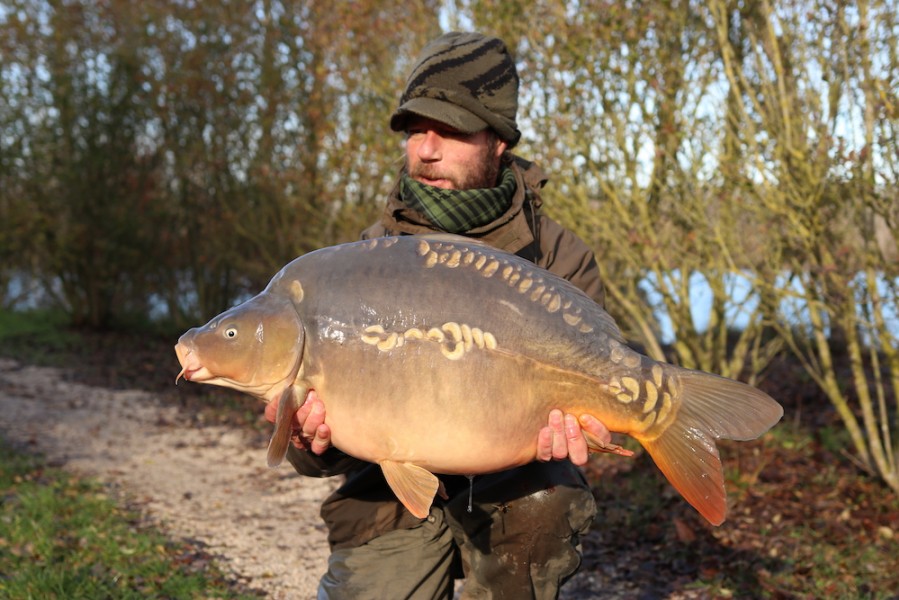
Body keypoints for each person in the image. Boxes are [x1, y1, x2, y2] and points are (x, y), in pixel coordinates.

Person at [266, 32, 617, 599]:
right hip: (391, 495)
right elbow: (320, 457)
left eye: (450, 130)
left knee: (544, 504)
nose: (426, 149)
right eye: (414, 130)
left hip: (514, 488)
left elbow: (593, 396)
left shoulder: (558, 258)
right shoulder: (368, 258)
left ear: (498, 140)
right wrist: (312, 440)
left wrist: (588, 428)